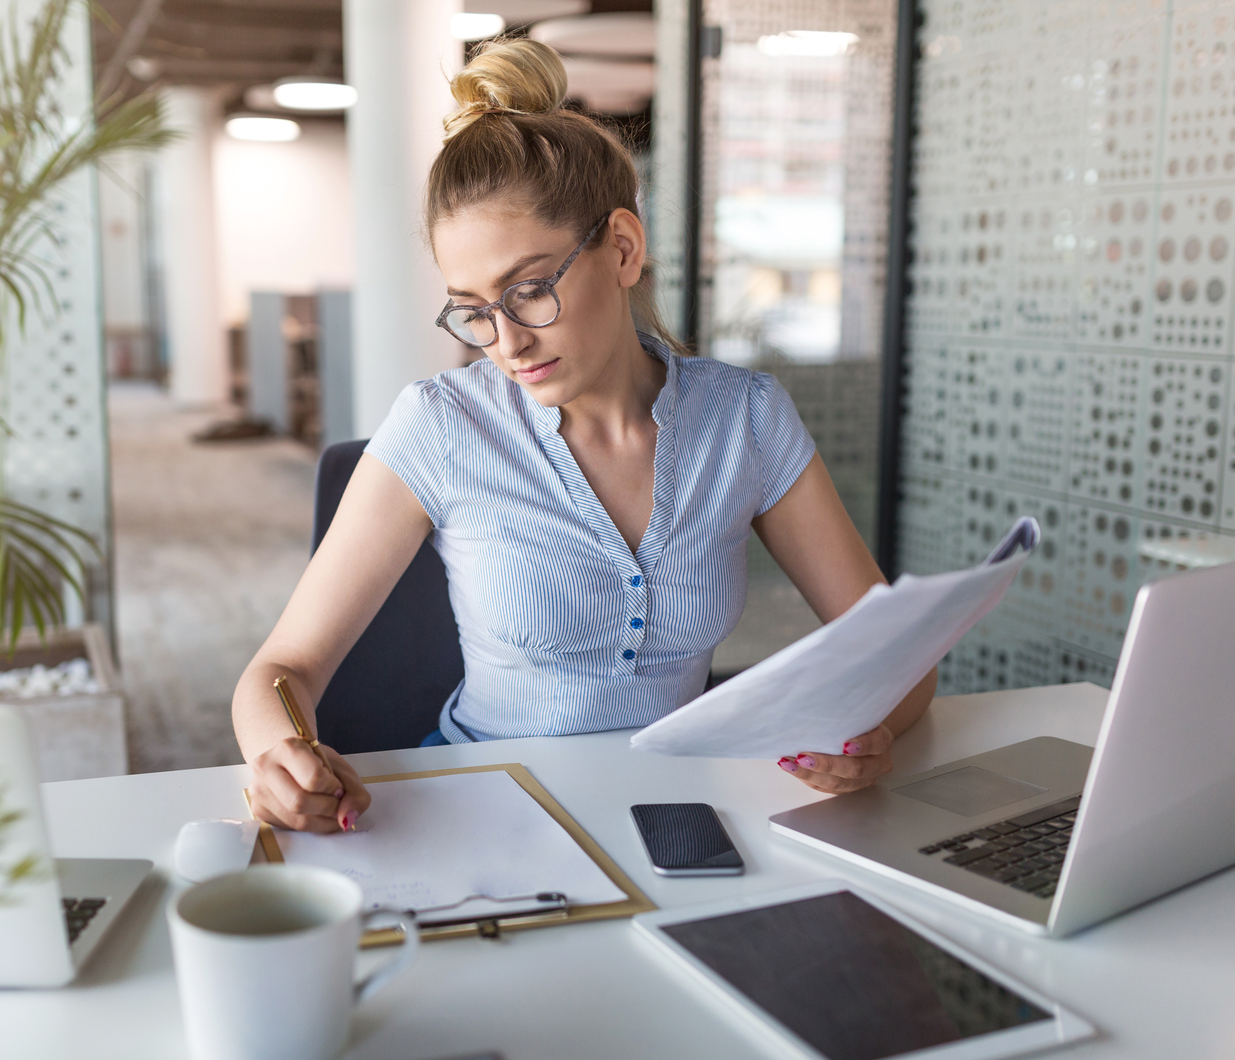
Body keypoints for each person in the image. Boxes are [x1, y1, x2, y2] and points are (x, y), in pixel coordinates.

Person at [231, 38, 936, 834]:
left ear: (623, 250)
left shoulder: (745, 420)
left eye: (529, 290)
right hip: (488, 809)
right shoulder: (440, 425)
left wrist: (873, 734)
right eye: (472, 307)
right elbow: (279, 671)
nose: (504, 341)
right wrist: (280, 755)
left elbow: (897, 659)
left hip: (680, 814)